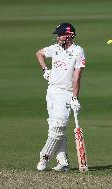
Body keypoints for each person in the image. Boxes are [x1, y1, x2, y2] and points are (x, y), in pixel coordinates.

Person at [35, 23, 85, 171]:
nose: (58, 37)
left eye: (61, 34)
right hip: (51, 92)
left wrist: (75, 97)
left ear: (69, 35)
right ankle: (63, 161)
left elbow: (77, 77)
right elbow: (39, 53)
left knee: (58, 127)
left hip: (66, 93)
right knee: (55, 127)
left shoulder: (78, 51)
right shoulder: (55, 48)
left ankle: (44, 156)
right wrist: (45, 70)